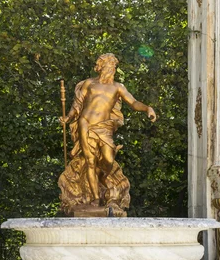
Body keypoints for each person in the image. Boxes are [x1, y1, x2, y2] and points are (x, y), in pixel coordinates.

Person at [60, 53, 156, 206]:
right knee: (90, 161)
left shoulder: (118, 87)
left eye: (113, 66)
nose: (111, 69)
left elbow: (133, 102)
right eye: (108, 66)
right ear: (102, 67)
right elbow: (77, 104)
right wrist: (68, 117)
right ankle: (96, 198)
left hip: (104, 127)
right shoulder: (89, 83)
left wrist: (147, 108)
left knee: (108, 159)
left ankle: (103, 178)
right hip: (85, 123)